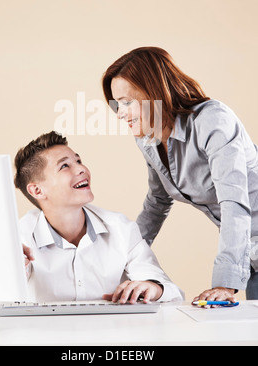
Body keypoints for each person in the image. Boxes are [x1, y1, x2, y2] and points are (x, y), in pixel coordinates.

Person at [102, 46, 258, 302]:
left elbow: (234, 202)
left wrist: (225, 283)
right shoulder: (148, 138)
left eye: (126, 102)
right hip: (250, 254)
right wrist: (119, 263)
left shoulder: (212, 121)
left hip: (244, 249)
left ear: (155, 93)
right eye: (116, 104)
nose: (120, 113)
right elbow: (156, 203)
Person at [14, 131, 183, 304]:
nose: (81, 169)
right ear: (37, 190)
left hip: (113, 330)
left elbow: (171, 292)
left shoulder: (120, 228)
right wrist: (11, 269)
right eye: (64, 166)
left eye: (78, 161)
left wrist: (153, 288)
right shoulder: (19, 238)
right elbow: (0, 302)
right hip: (45, 331)